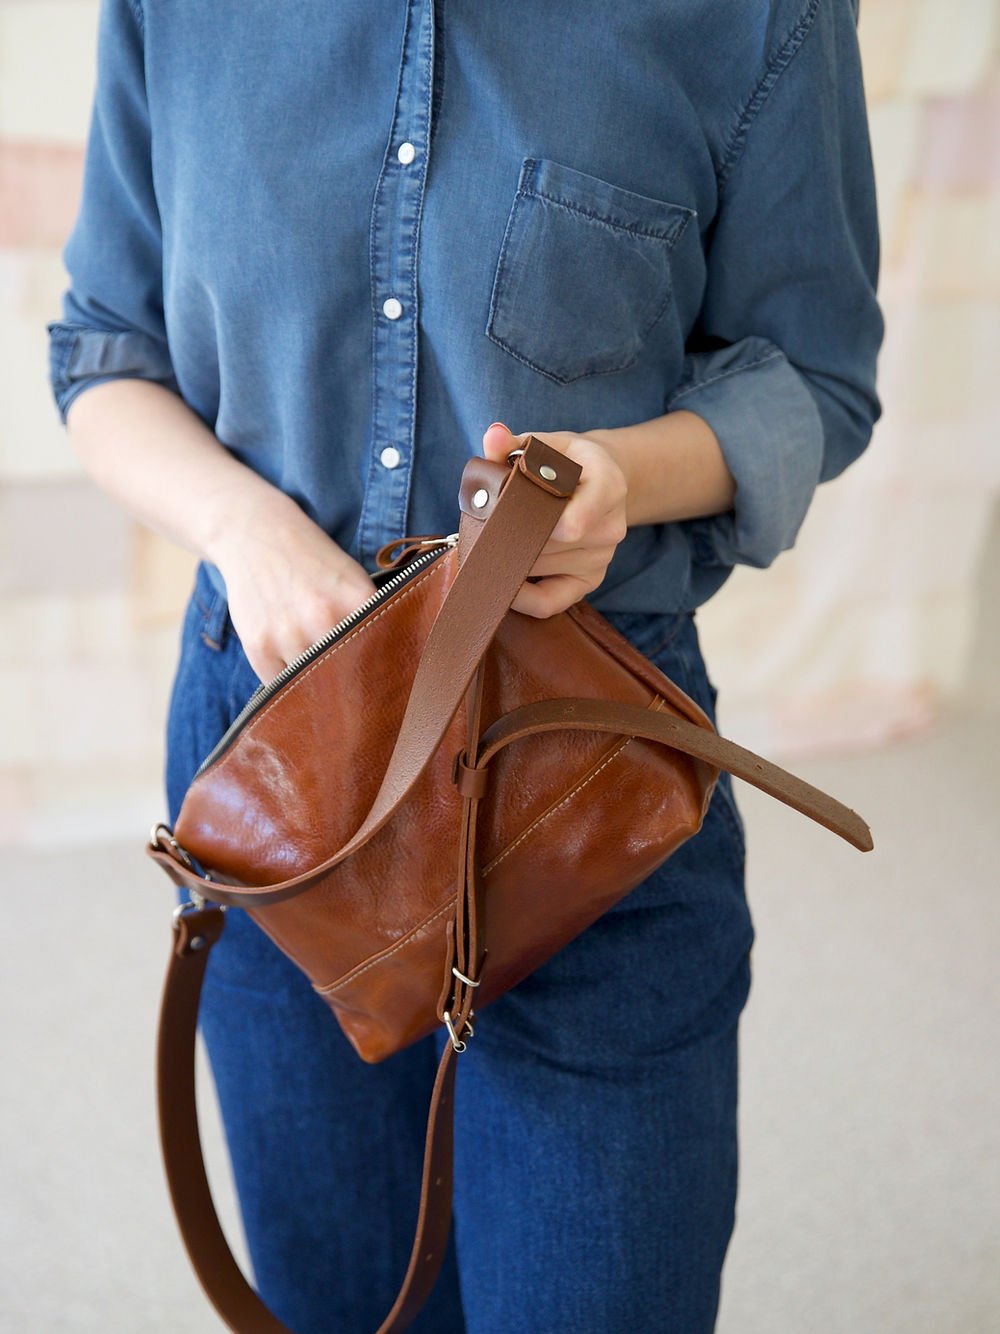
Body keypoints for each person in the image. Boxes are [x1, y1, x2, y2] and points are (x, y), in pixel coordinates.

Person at [46, 1, 883, 1330]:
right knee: (337, 1299)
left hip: (589, 771)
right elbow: (105, 345)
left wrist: (619, 477)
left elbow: (814, 377)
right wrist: (243, 526)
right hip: (285, 771)